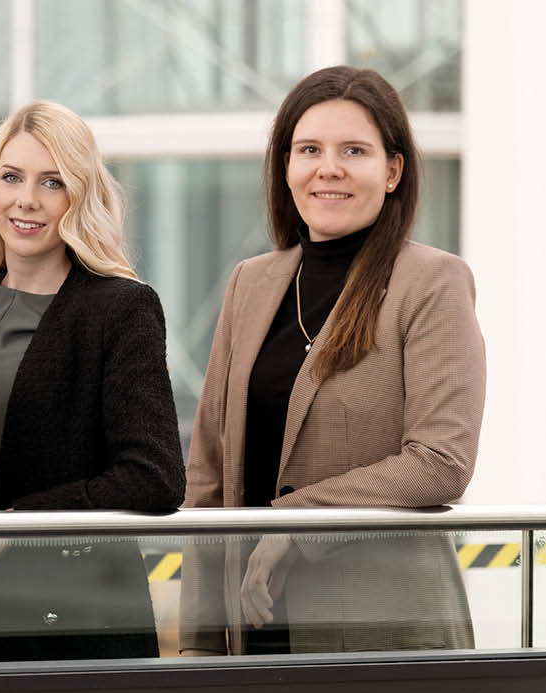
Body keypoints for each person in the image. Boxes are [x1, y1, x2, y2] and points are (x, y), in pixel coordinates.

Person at [179, 66, 486, 656]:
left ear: (392, 171)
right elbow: (209, 475)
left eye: (354, 150)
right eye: (309, 149)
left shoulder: (432, 282)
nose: (329, 168)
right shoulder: (251, 283)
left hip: (382, 638)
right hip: (253, 630)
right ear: (285, 167)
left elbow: (442, 461)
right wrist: (197, 641)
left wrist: (296, 525)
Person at [0, 100, 185, 663]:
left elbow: (154, 476)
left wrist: (15, 526)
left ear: (78, 196)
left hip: (65, 614)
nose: (25, 199)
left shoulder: (120, 309)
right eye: (12, 177)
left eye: (51, 182)